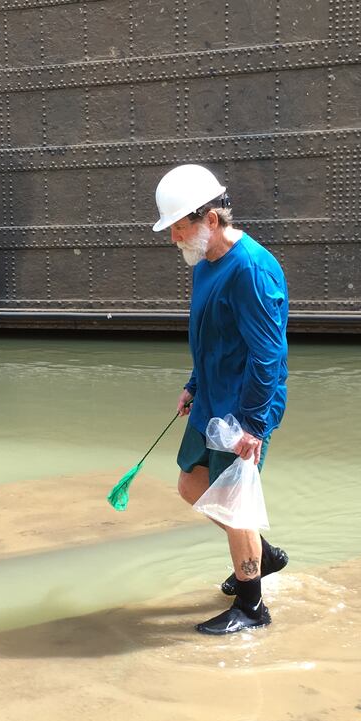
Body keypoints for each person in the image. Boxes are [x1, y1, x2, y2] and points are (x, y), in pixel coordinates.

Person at [151, 164, 290, 635]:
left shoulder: (251, 268)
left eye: (179, 226)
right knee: (192, 486)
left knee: (235, 505)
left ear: (210, 219)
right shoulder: (206, 261)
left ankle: (252, 608)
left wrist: (254, 424)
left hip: (243, 407)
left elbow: (268, 354)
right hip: (212, 398)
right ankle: (263, 555)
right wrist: (194, 383)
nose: (174, 238)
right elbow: (212, 333)